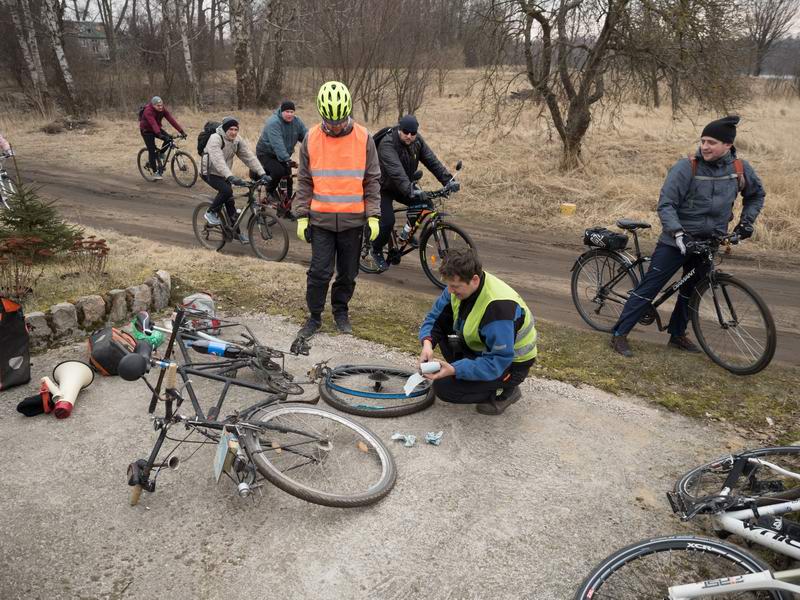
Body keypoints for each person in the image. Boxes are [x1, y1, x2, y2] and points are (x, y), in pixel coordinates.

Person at [610, 116, 765, 357]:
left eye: (711, 142)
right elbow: (666, 204)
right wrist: (678, 233)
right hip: (677, 240)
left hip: (710, 240)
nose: (704, 146)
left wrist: (746, 223)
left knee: (692, 289)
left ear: (728, 145)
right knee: (651, 287)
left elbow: (756, 195)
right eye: (703, 141)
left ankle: (677, 334)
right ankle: (619, 334)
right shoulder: (687, 167)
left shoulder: (739, 169)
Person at [293, 81, 381, 337]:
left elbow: (372, 179)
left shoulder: (364, 137)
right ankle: (314, 316)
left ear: (348, 112)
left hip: (353, 222)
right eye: (330, 121)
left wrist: (373, 215)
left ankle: (341, 311)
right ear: (322, 115)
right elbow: (305, 180)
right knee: (319, 272)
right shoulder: (310, 138)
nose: (336, 126)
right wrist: (301, 215)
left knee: (348, 274)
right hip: (321, 220)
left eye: (340, 120)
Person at [418, 248, 537, 416]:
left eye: (455, 286)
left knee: (444, 388)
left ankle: (506, 390)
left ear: (474, 280)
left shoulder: (498, 308)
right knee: (443, 328)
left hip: (509, 365)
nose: (450, 291)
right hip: (483, 349)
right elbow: (434, 318)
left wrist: (454, 369)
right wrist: (427, 344)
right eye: (449, 285)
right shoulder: (461, 281)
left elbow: (497, 361)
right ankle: (470, 372)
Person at [371, 114, 459, 271]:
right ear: (399, 128)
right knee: (387, 221)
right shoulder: (387, 144)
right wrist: (411, 189)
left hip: (402, 185)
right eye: (405, 132)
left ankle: (405, 234)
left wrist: (448, 181)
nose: (409, 136)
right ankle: (375, 249)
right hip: (381, 187)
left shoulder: (417, 141)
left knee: (425, 204)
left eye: (413, 133)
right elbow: (396, 171)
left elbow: (432, 161)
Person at [200, 116, 269, 243]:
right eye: (231, 129)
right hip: (209, 172)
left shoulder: (237, 140)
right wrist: (230, 176)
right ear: (225, 129)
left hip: (224, 173)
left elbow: (248, 156)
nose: (233, 132)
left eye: (236, 129)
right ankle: (211, 213)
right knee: (226, 191)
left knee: (230, 202)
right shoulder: (215, 138)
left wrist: (262, 173)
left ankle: (235, 233)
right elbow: (218, 160)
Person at [255, 100, 308, 218]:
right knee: (278, 171)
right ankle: (270, 191)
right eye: (287, 111)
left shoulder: (297, 122)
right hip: (266, 153)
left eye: (292, 112)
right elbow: (277, 144)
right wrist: (287, 160)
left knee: (288, 180)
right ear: (281, 111)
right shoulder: (273, 123)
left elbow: (307, 137)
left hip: (284, 155)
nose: (289, 114)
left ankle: (286, 211)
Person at [139, 96, 186, 180]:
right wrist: (159, 134)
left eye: (161, 105)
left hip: (156, 128)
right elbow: (153, 123)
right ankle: (155, 172)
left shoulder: (163, 109)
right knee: (152, 151)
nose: (160, 107)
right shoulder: (148, 111)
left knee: (169, 139)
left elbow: (171, 120)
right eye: (158, 105)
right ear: (153, 105)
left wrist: (181, 131)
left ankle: (160, 154)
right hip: (146, 131)